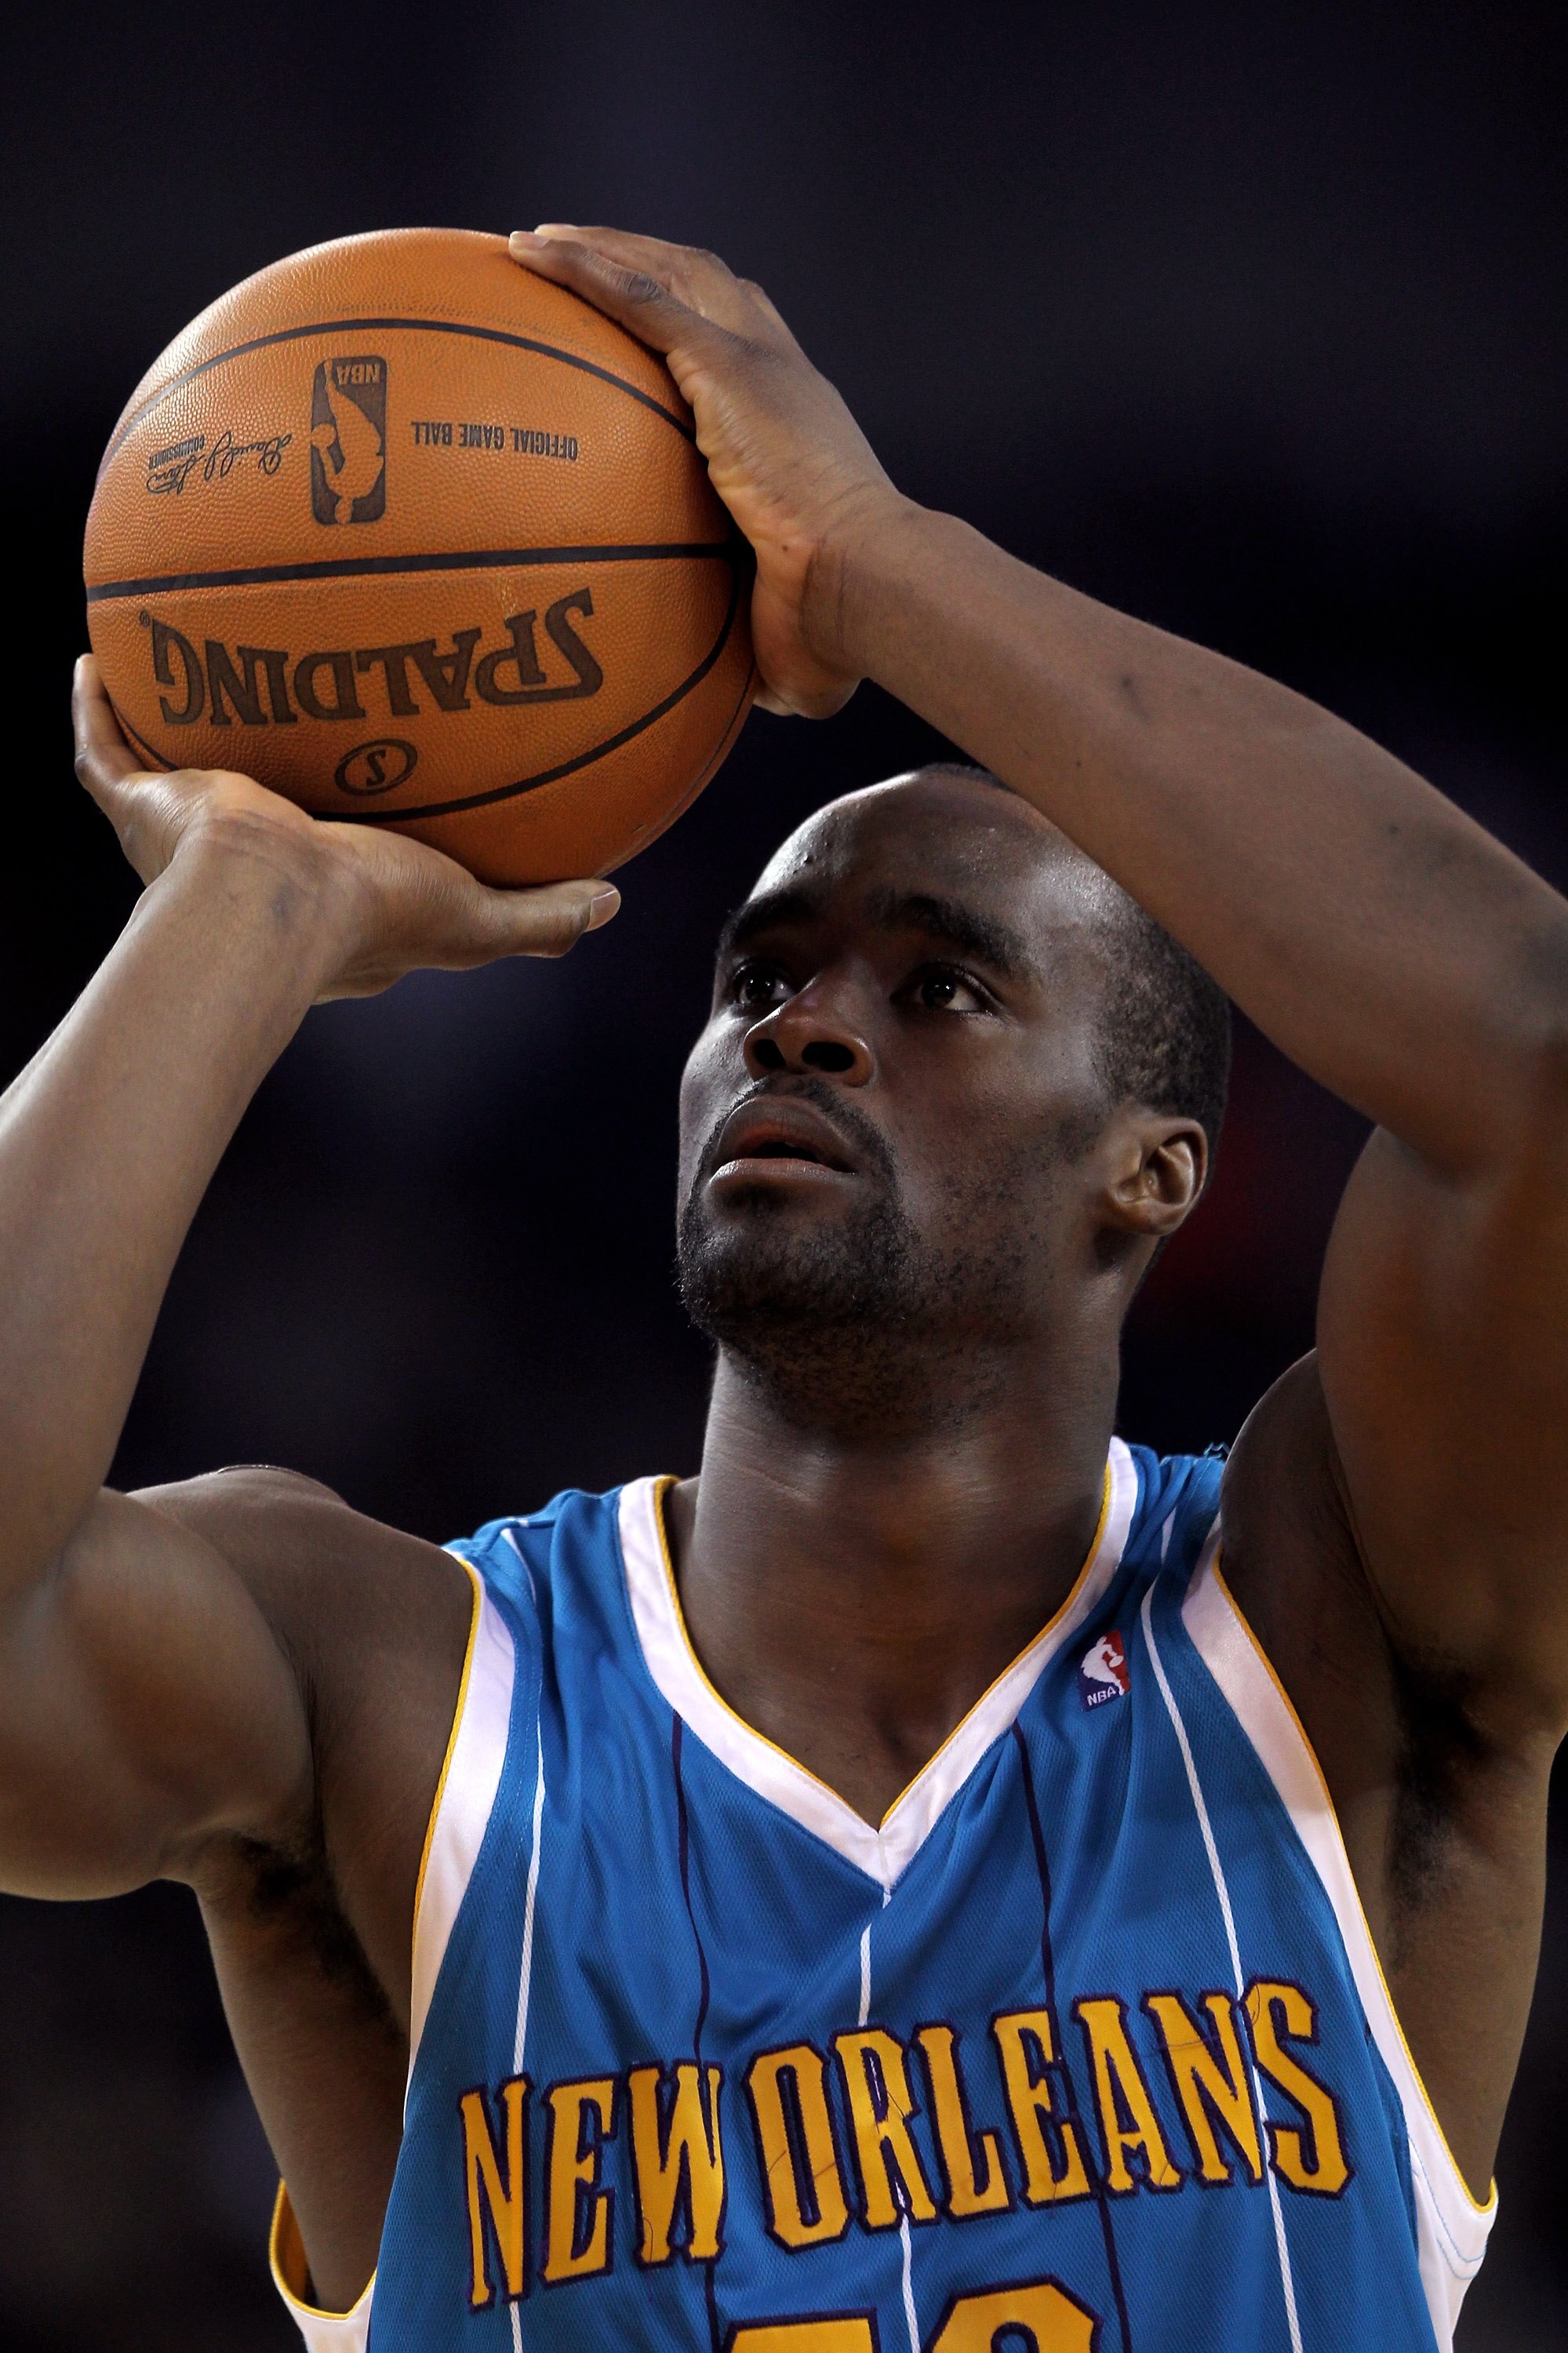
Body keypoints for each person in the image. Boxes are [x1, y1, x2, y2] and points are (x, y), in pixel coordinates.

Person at [4, 226, 1563, 2353]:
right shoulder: (392, 1692)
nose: (803, 1028)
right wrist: (247, 903)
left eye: (939, 986)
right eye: (757, 980)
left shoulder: (1336, 1637)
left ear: (1158, 1169)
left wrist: (876, 568)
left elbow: (1533, 1068)